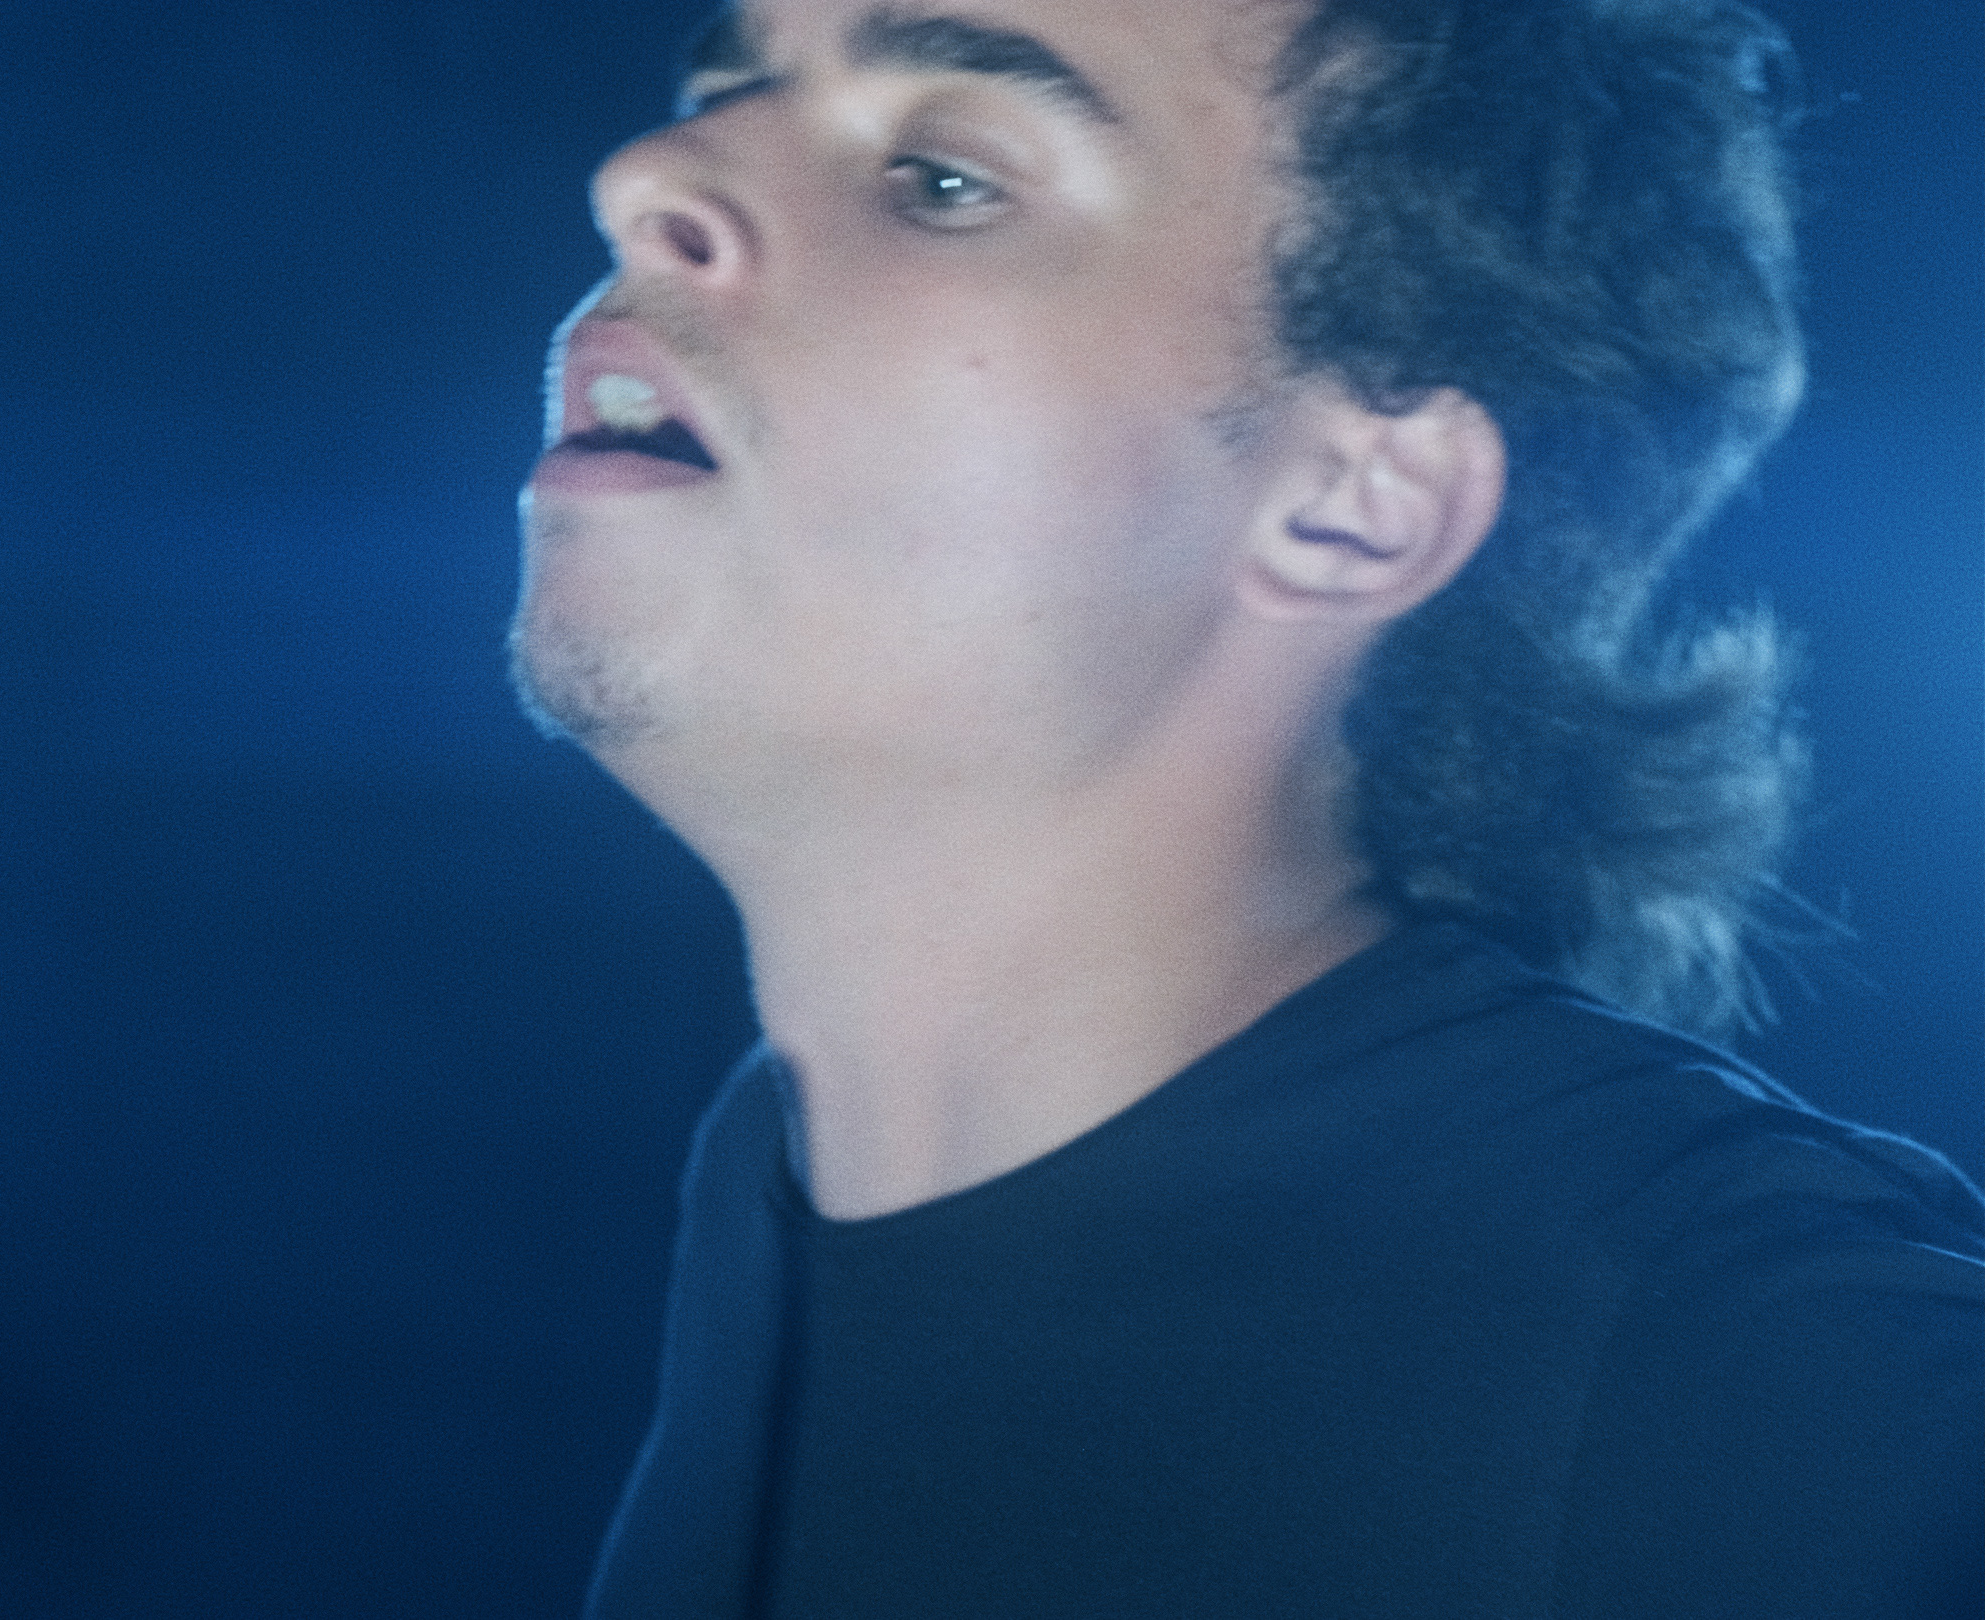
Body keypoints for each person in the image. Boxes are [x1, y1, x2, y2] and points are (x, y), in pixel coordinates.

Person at [510, 0, 1985, 1612]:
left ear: (1355, 507)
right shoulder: (768, 1201)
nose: (644, 175)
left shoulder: (1765, 1367)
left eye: (942, 180)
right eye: (725, 89)